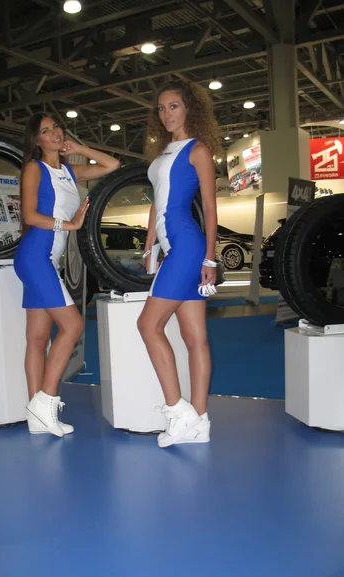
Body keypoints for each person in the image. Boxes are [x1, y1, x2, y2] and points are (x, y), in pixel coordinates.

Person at [14, 112, 120, 437]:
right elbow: (30, 215)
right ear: (37, 141)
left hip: (44, 259)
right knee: (72, 325)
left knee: (36, 338)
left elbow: (111, 165)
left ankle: (36, 416)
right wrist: (69, 224)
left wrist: (82, 146)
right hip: (36, 256)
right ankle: (46, 401)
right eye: (46, 131)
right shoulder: (35, 168)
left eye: (56, 127)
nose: (55, 133)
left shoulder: (70, 171)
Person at [137, 79, 222, 448]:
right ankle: (199, 421)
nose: (166, 113)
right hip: (173, 248)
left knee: (148, 324)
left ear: (190, 108)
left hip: (189, 246)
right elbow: (158, 203)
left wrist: (210, 256)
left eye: (173, 106)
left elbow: (208, 206)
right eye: (161, 108)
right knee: (193, 336)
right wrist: (149, 246)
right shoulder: (162, 154)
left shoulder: (198, 150)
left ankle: (178, 410)